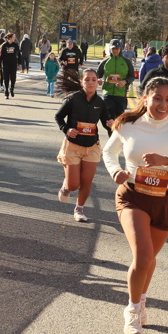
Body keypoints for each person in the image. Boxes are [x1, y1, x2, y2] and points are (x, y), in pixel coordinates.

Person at [102, 76, 168, 334]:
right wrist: (115, 171)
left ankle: (141, 300)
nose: (163, 105)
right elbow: (109, 152)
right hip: (133, 197)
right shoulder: (128, 124)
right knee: (143, 256)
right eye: (158, 98)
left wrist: (166, 162)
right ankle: (132, 310)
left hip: (165, 200)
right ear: (145, 98)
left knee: (149, 258)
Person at [54, 68, 113, 222]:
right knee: (74, 184)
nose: (91, 82)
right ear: (81, 82)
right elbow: (59, 116)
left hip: (92, 146)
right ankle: (66, 187)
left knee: (87, 181)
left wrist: (111, 124)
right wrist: (67, 129)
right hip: (73, 145)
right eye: (87, 79)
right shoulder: (73, 99)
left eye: (94, 79)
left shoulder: (100, 102)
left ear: (98, 82)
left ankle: (79, 209)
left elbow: (106, 122)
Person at [97, 39, 135, 121]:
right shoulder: (105, 62)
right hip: (108, 94)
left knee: (119, 120)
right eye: (113, 48)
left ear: (120, 49)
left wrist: (125, 82)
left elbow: (132, 76)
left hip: (121, 94)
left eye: (117, 48)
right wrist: (99, 80)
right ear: (110, 49)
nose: (115, 50)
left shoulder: (127, 62)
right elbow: (97, 76)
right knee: (109, 119)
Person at [0, 32, 21, 97]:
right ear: (10, 38)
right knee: (6, 78)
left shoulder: (15, 45)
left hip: (13, 64)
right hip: (6, 64)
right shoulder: (4, 45)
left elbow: (19, 54)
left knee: (13, 78)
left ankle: (12, 89)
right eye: (13, 37)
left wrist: (20, 63)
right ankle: (6, 92)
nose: (14, 38)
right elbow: (1, 56)